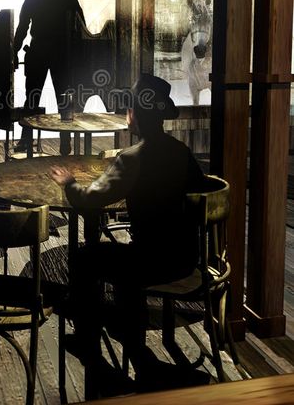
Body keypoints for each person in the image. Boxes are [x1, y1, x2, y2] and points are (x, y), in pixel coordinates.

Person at [50, 74, 206, 393]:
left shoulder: (132, 158)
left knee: (84, 258)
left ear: (134, 115)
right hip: (186, 256)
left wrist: (68, 183)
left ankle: (89, 342)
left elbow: (90, 199)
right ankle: (139, 357)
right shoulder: (180, 151)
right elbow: (201, 192)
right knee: (121, 269)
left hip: (151, 261)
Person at [14, 0, 86, 155]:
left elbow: (22, 29)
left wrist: (13, 51)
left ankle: (26, 140)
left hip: (37, 51)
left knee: (32, 98)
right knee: (64, 100)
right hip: (62, 54)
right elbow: (81, 31)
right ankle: (65, 142)